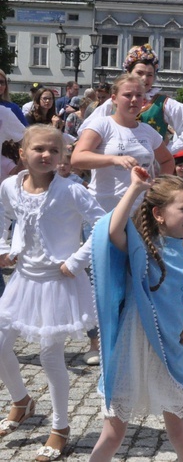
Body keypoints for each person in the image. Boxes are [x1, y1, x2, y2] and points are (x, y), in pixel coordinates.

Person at [88, 167, 183, 461]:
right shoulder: (143, 249)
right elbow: (112, 231)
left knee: (179, 431)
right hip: (132, 345)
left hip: (172, 349)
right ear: (159, 213)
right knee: (113, 433)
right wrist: (135, 188)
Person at [0, 124, 105, 462]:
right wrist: (5, 246)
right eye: (38, 149)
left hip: (58, 284)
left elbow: (102, 225)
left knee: (49, 355)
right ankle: (22, 401)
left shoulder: (71, 190)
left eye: (53, 150)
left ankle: (60, 427)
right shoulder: (9, 187)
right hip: (22, 280)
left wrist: (76, 259)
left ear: (63, 157)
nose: (45, 155)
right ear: (22, 153)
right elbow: (3, 216)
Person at [71, 73, 175, 213]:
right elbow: (77, 158)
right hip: (103, 209)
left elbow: (167, 160)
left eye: (139, 95)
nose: (134, 100)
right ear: (114, 99)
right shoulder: (102, 124)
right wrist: (114, 159)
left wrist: (157, 187)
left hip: (138, 210)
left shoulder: (147, 131)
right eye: (127, 95)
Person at [81, 44, 183, 154]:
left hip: (153, 167)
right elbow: (87, 130)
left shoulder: (164, 103)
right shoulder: (112, 103)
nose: (145, 78)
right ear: (128, 73)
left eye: (150, 75)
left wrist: (170, 150)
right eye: (139, 73)